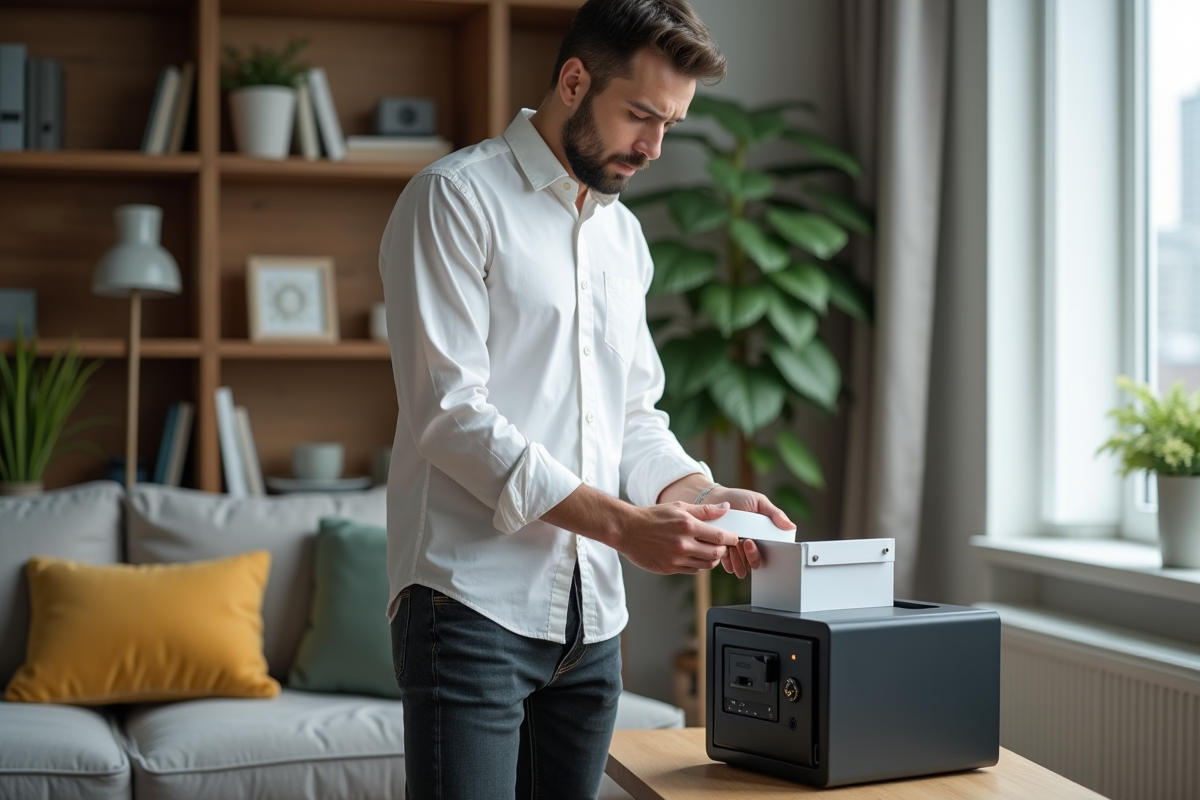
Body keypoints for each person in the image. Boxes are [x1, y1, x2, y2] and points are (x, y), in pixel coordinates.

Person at [378, 0, 795, 796]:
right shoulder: (454, 199)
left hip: (593, 614)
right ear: (574, 81)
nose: (654, 146)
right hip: (469, 604)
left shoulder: (622, 236)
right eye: (641, 115)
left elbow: (635, 415)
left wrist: (701, 497)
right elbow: (450, 415)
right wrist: (625, 526)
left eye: (670, 123)